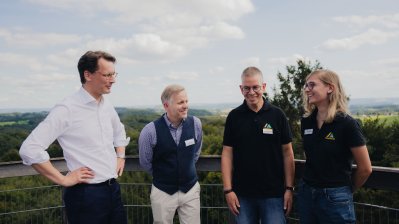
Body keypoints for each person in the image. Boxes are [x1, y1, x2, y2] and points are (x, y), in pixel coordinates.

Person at [19, 50, 130, 224]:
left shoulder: (105, 104)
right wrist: (63, 179)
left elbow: (119, 131)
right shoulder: (67, 109)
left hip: (112, 190)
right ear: (88, 75)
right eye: (107, 75)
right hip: (85, 196)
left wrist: (120, 156)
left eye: (114, 74)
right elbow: (29, 149)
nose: (113, 80)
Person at [297, 69, 372, 223]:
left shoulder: (347, 124)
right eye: (306, 85)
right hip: (307, 194)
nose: (306, 89)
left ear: (330, 88)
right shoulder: (306, 122)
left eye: (312, 85)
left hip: (335, 197)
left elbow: (365, 168)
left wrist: (344, 190)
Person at [221, 67, 295, 223]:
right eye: (246, 88)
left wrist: (289, 188)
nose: (251, 92)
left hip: (274, 194)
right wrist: (228, 190)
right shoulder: (234, 117)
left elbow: (288, 153)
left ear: (264, 87)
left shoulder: (277, 115)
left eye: (255, 87)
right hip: (242, 195)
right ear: (241, 89)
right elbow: (227, 153)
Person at [138, 84, 203, 224]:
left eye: (186, 101)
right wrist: (165, 176)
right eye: (180, 102)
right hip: (163, 192)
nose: (185, 105)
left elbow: (196, 153)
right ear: (166, 105)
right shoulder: (150, 131)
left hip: (190, 190)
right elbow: (145, 162)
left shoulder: (196, 124)